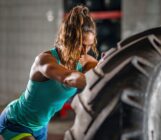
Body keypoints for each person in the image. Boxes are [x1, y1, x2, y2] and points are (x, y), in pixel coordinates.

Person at [0, 5, 98, 140]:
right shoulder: (44, 60)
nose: (84, 51)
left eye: (88, 46)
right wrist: (94, 78)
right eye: (81, 44)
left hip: (41, 127)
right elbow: (66, 77)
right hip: (16, 122)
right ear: (69, 38)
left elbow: (104, 71)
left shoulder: (85, 61)